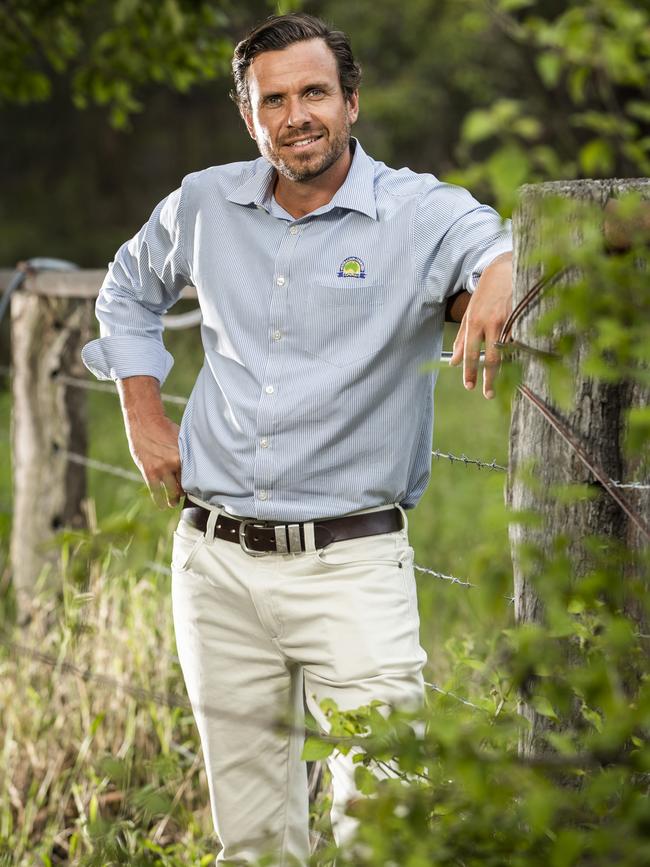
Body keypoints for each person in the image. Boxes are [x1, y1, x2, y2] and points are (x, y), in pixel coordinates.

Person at [82, 12, 513, 865]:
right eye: (273, 100)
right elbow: (128, 290)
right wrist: (144, 416)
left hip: (351, 569)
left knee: (388, 829)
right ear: (250, 118)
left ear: (352, 101)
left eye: (314, 92)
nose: (296, 115)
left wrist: (501, 273)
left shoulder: (418, 212)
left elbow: (497, 244)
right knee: (251, 840)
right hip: (214, 564)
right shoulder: (204, 201)